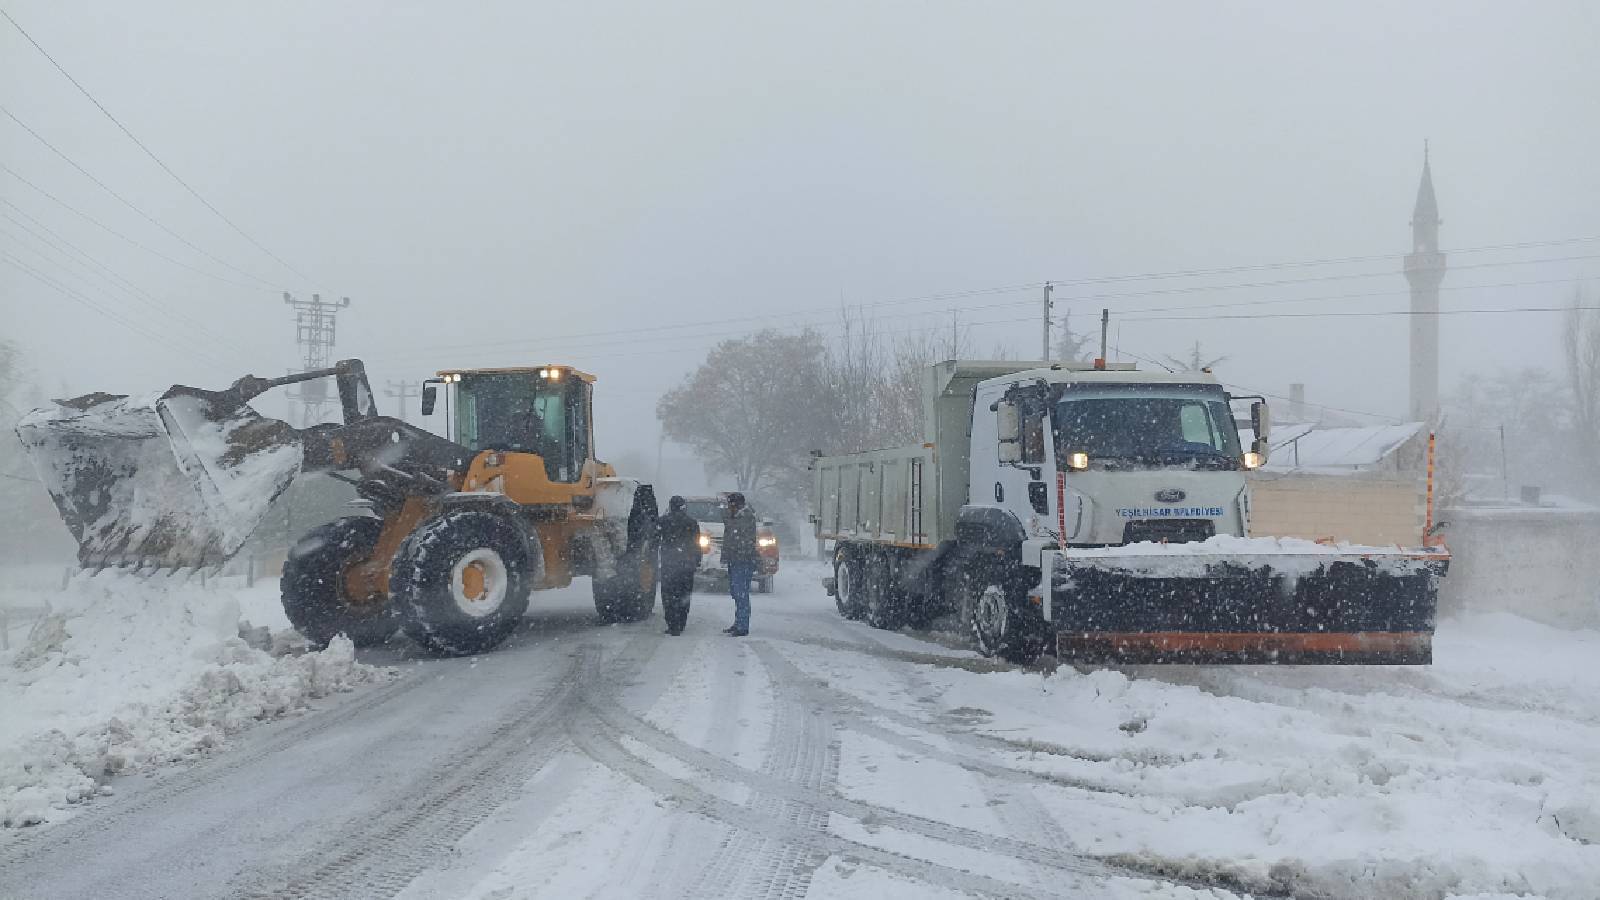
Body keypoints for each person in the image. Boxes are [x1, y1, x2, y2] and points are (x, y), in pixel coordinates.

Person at [657, 495, 701, 636]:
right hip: (687, 564)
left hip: (669, 564)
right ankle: (681, 622)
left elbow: (654, 537)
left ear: (670, 506)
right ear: (683, 507)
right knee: (684, 594)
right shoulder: (692, 522)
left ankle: (672, 624)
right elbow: (696, 544)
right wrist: (696, 560)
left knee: (668, 595)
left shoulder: (663, 521)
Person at [721, 492, 759, 636]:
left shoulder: (746, 517)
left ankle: (743, 625)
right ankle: (738, 622)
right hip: (735, 559)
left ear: (735, 505)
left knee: (741, 593)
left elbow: (737, 536)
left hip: (743, 560)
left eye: (729, 504)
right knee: (737, 593)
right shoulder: (737, 516)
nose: (727, 508)